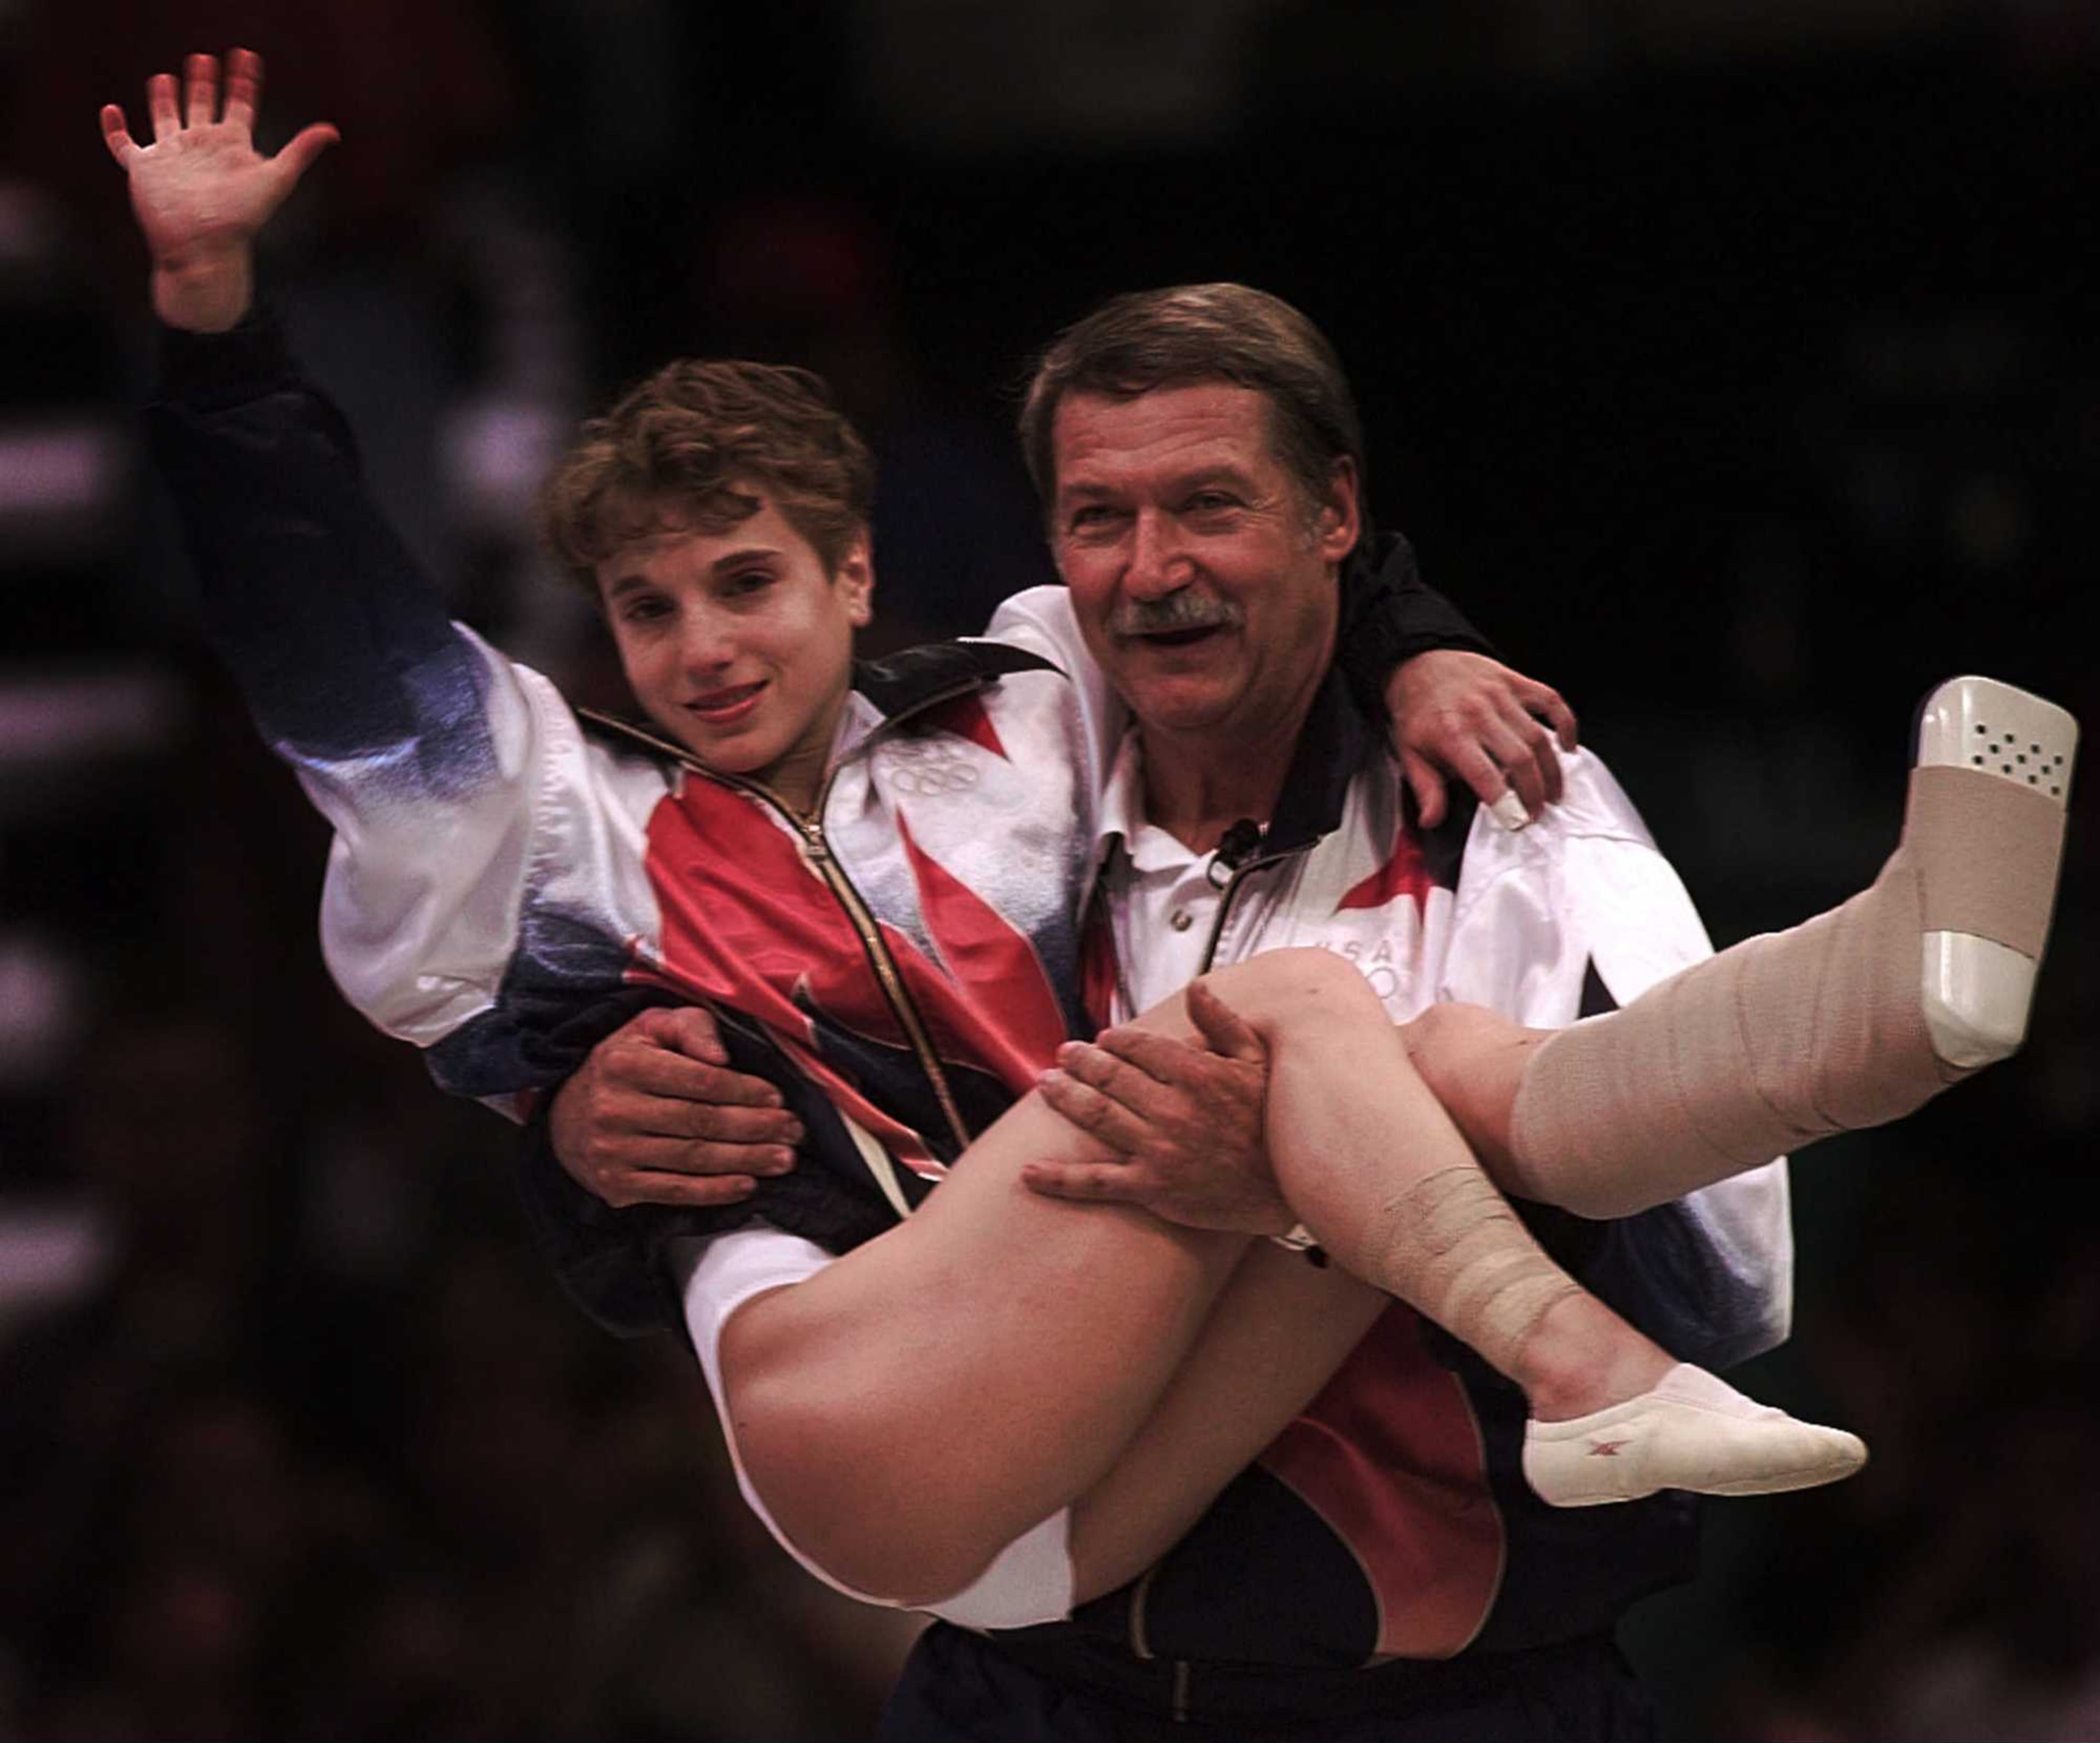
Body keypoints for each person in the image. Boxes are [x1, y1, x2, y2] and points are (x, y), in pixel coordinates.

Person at [108, 52, 2075, 1742]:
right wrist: (218, 333)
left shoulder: (1031, 729)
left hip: (1292, 1575)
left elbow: (1722, 1259)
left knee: (1374, 1060)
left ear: (865, 578)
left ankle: (1878, 1016)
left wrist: (1410, 639)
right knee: (1307, 1031)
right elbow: (344, 672)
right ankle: (1732, 1179)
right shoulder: (580, 821)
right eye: (650, 608)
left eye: (750, 585)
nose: (706, 650)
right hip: (904, 1450)